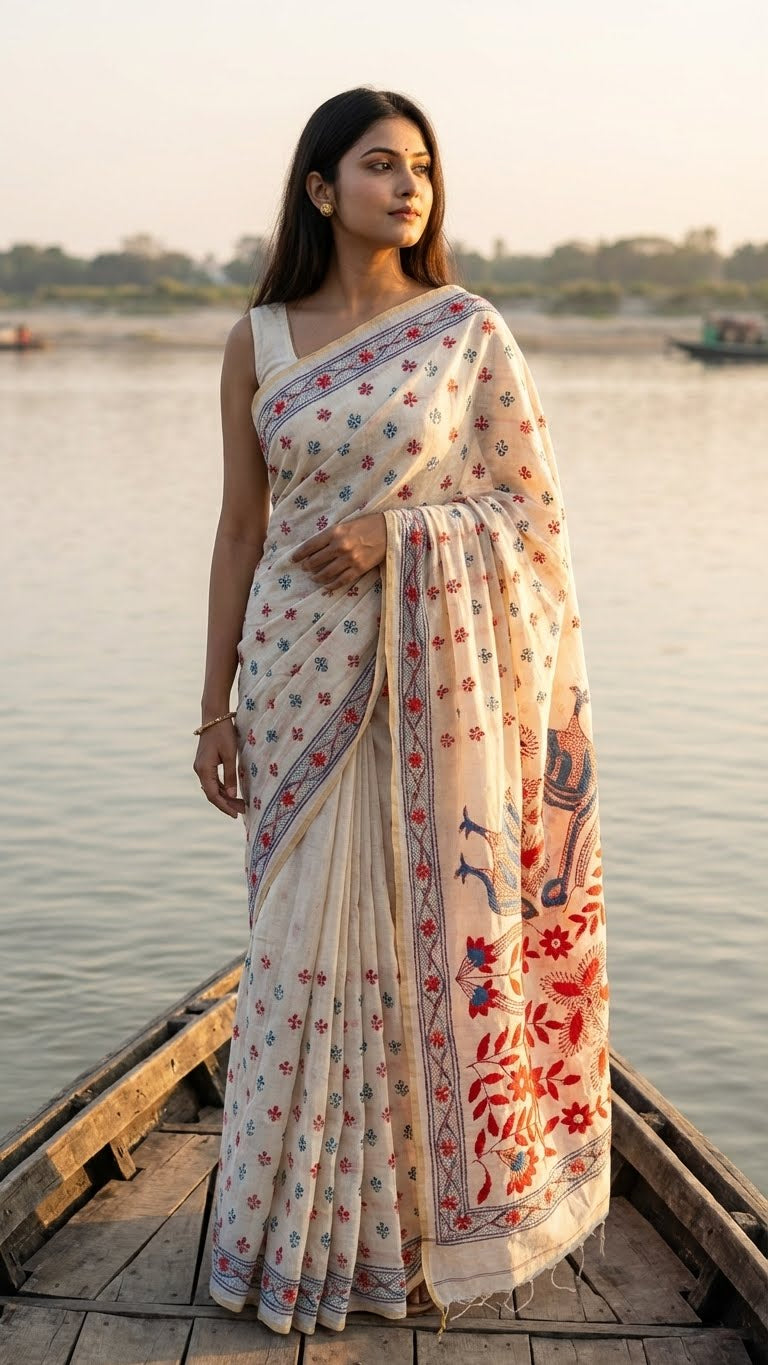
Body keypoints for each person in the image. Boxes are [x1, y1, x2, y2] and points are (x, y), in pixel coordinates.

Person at [194, 86, 610, 1337]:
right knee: (294, 958)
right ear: (321, 188)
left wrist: (398, 535)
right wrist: (209, 709)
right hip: (291, 684)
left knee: (420, 957)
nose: (409, 186)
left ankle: (413, 1234)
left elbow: (531, 528)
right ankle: (284, 1235)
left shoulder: (467, 333)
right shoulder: (258, 338)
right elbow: (239, 529)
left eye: (422, 167)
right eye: (381, 165)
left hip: (436, 696)